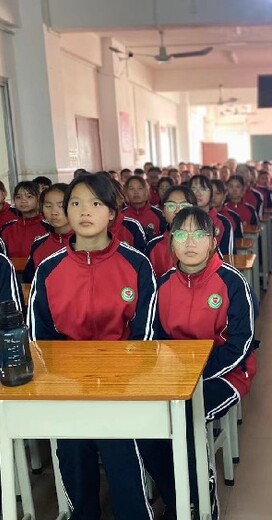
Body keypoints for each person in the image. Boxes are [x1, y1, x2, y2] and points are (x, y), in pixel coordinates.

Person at [27, 173, 156, 520]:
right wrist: (71, 383)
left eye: (96, 203)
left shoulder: (136, 264)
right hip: (69, 386)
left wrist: (116, 381)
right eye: (76, 203)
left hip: (122, 385)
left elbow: (144, 337)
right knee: (72, 453)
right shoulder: (48, 270)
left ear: (113, 212)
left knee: (121, 453)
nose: (85, 211)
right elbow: (40, 340)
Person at [139, 207, 256, 520]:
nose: (189, 242)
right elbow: (154, 342)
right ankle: (177, 499)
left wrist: (194, 374)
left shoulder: (231, 282)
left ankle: (203, 504)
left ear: (213, 241)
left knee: (187, 418)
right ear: (171, 244)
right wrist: (176, 376)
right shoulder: (162, 285)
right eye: (180, 234)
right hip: (175, 377)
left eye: (199, 234)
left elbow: (240, 344)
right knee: (146, 424)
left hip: (227, 374)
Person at [23, 183, 74, 282]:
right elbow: (29, 281)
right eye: (48, 206)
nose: (54, 212)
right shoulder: (39, 244)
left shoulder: (87, 242)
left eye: (61, 206)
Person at [146, 185, 196, 278]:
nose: (177, 211)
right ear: (163, 212)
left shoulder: (204, 240)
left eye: (184, 206)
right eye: (171, 206)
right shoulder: (153, 246)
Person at [188, 175, 234, 255]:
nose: (198, 193)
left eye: (203, 189)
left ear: (211, 194)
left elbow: (227, 256)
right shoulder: (183, 220)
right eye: (193, 189)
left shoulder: (223, 222)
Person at [1, 181, 48, 258]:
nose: (23, 201)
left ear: (38, 199)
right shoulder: (7, 228)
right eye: (18, 197)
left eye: (29, 196)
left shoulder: (48, 228)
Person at [123, 175, 167, 240]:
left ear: (146, 191)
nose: (136, 192)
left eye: (140, 188)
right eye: (131, 189)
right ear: (126, 192)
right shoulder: (121, 216)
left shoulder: (159, 215)